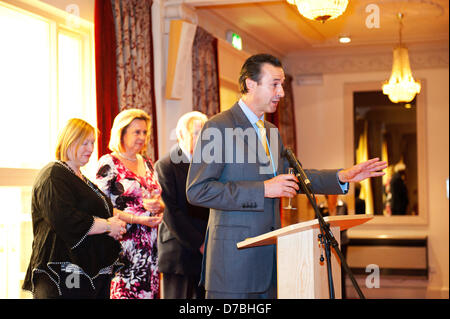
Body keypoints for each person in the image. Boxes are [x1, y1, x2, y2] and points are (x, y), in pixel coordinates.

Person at [186, 53, 387, 299]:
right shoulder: (218, 127)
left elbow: (295, 177)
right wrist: (263, 190)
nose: (281, 92)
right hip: (233, 266)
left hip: (271, 261)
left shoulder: (271, 131)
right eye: (275, 84)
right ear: (250, 84)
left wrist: (342, 176)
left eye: (282, 85)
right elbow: (198, 190)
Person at [22, 118, 126, 299]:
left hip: (88, 274)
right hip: (63, 274)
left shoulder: (82, 179)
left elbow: (100, 212)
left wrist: (113, 226)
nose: (90, 148)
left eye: (92, 142)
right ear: (68, 141)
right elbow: (66, 219)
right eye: (84, 142)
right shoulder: (54, 174)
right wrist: (108, 226)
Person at [95, 109, 164, 299]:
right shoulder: (109, 162)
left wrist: (160, 206)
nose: (142, 137)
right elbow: (101, 207)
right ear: (122, 133)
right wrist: (137, 219)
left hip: (150, 248)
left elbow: (158, 199)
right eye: (137, 132)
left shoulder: (148, 163)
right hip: (123, 247)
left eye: (145, 132)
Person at [155, 111, 209, 299]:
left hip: (207, 250)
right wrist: (199, 242)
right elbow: (170, 211)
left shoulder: (209, 164)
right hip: (179, 251)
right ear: (180, 135)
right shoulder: (165, 164)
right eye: (196, 133)